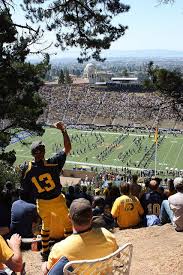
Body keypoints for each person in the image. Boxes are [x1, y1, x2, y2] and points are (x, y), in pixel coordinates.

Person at [20, 121, 72, 260]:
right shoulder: (53, 162)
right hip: (56, 199)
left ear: (32, 153)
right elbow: (67, 148)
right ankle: (68, 251)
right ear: (43, 152)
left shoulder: (27, 169)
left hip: (42, 202)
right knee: (67, 225)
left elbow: (25, 188)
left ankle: (45, 252)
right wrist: (63, 130)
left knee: (45, 226)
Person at [42, 198, 118, 275]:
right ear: (92, 218)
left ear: (69, 217)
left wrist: (44, 266)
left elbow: (48, 271)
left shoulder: (59, 248)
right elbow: (117, 255)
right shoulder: (107, 234)